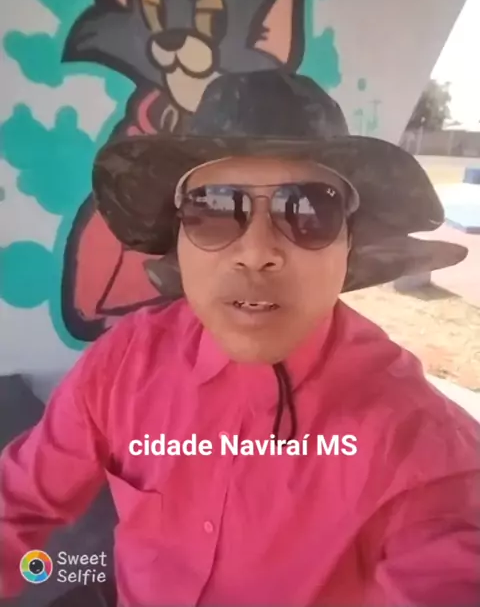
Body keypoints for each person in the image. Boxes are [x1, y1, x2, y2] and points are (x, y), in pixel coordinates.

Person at [1, 70, 479, 607]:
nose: (256, 253)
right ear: (179, 241)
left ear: (348, 245)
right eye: (213, 208)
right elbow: (16, 502)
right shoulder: (124, 363)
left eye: (308, 210)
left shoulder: (422, 444)